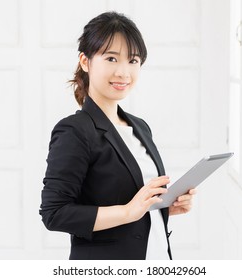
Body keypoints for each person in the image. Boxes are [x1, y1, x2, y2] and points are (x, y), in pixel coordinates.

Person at [39, 11, 196, 260]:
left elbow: (133, 204)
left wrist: (162, 208)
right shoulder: (75, 130)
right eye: (111, 58)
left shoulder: (140, 127)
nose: (124, 72)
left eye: (133, 61)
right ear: (85, 61)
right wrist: (127, 212)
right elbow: (54, 213)